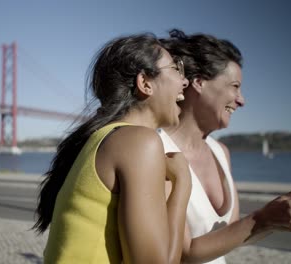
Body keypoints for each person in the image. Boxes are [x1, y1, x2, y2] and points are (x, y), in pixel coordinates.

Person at [159, 29, 291, 264]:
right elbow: (180, 253)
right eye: (235, 86)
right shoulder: (155, 149)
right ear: (199, 82)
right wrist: (262, 219)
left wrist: (279, 215)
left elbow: (232, 235)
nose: (242, 100)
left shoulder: (221, 153)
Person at [34, 33, 191, 263]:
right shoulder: (138, 142)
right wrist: (183, 184)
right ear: (145, 83)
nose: (185, 80)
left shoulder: (103, 138)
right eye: (177, 69)